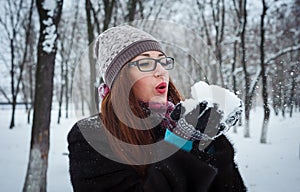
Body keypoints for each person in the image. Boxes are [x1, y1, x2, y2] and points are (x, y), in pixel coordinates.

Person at [67, 25, 247, 191]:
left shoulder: (180, 120)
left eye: (163, 61)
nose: (160, 71)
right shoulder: (92, 135)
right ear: (121, 78)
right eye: (145, 64)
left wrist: (209, 145)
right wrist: (179, 143)